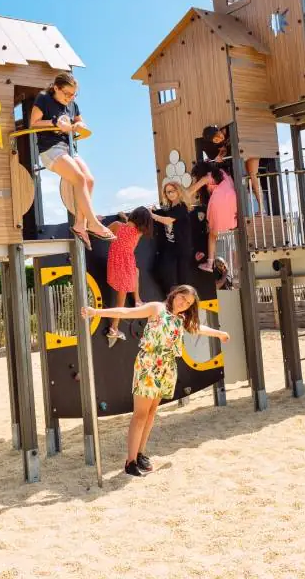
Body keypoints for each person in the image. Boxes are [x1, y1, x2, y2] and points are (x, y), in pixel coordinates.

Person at [81, 285, 230, 477]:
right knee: (140, 414)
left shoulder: (181, 319)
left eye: (188, 303)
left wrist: (219, 333)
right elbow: (127, 312)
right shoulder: (157, 308)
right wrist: (96, 312)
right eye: (182, 298)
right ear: (175, 294)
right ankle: (130, 461)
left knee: (151, 412)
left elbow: (198, 328)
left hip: (167, 367)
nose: (183, 304)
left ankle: (140, 454)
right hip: (149, 364)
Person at [29, 73, 115, 246]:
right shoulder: (44, 98)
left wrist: (79, 126)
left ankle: (79, 224)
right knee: (79, 178)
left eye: (73, 94)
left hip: (70, 149)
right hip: (51, 149)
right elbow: (33, 123)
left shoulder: (72, 105)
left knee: (89, 180)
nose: (69, 98)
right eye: (66, 94)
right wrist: (54, 123)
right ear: (56, 88)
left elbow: (81, 123)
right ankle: (92, 222)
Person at [105, 206, 174, 345]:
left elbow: (105, 232)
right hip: (127, 265)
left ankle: (134, 304)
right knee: (122, 298)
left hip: (114, 263)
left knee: (129, 282)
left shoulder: (117, 226)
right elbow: (131, 226)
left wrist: (123, 217)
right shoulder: (138, 233)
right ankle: (114, 327)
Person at [201, 124, 263, 216]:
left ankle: (261, 209)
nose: (219, 139)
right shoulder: (221, 142)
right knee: (247, 178)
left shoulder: (229, 128)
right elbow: (225, 150)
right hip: (243, 154)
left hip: (250, 147)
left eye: (218, 136)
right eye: (216, 140)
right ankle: (254, 210)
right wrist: (220, 155)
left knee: (251, 176)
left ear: (217, 130)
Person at [188, 160, 238, 272]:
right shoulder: (223, 173)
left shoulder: (207, 177)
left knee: (212, 234)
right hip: (233, 201)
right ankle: (210, 263)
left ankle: (209, 264)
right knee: (220, 231)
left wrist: (180, 195)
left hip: (218, 202)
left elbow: (191, 190)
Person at [156, 181, 199, 294]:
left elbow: (167, 220)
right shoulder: (170, 208)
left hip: (182, 247)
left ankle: (184, 299)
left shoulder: (181, 206)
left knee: (182, 277)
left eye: (171, 191)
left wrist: (151, 215)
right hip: (171, 246)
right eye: (167, 192)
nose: (169, 194)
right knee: (165, 270)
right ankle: (171, 296)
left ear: (178, 191)